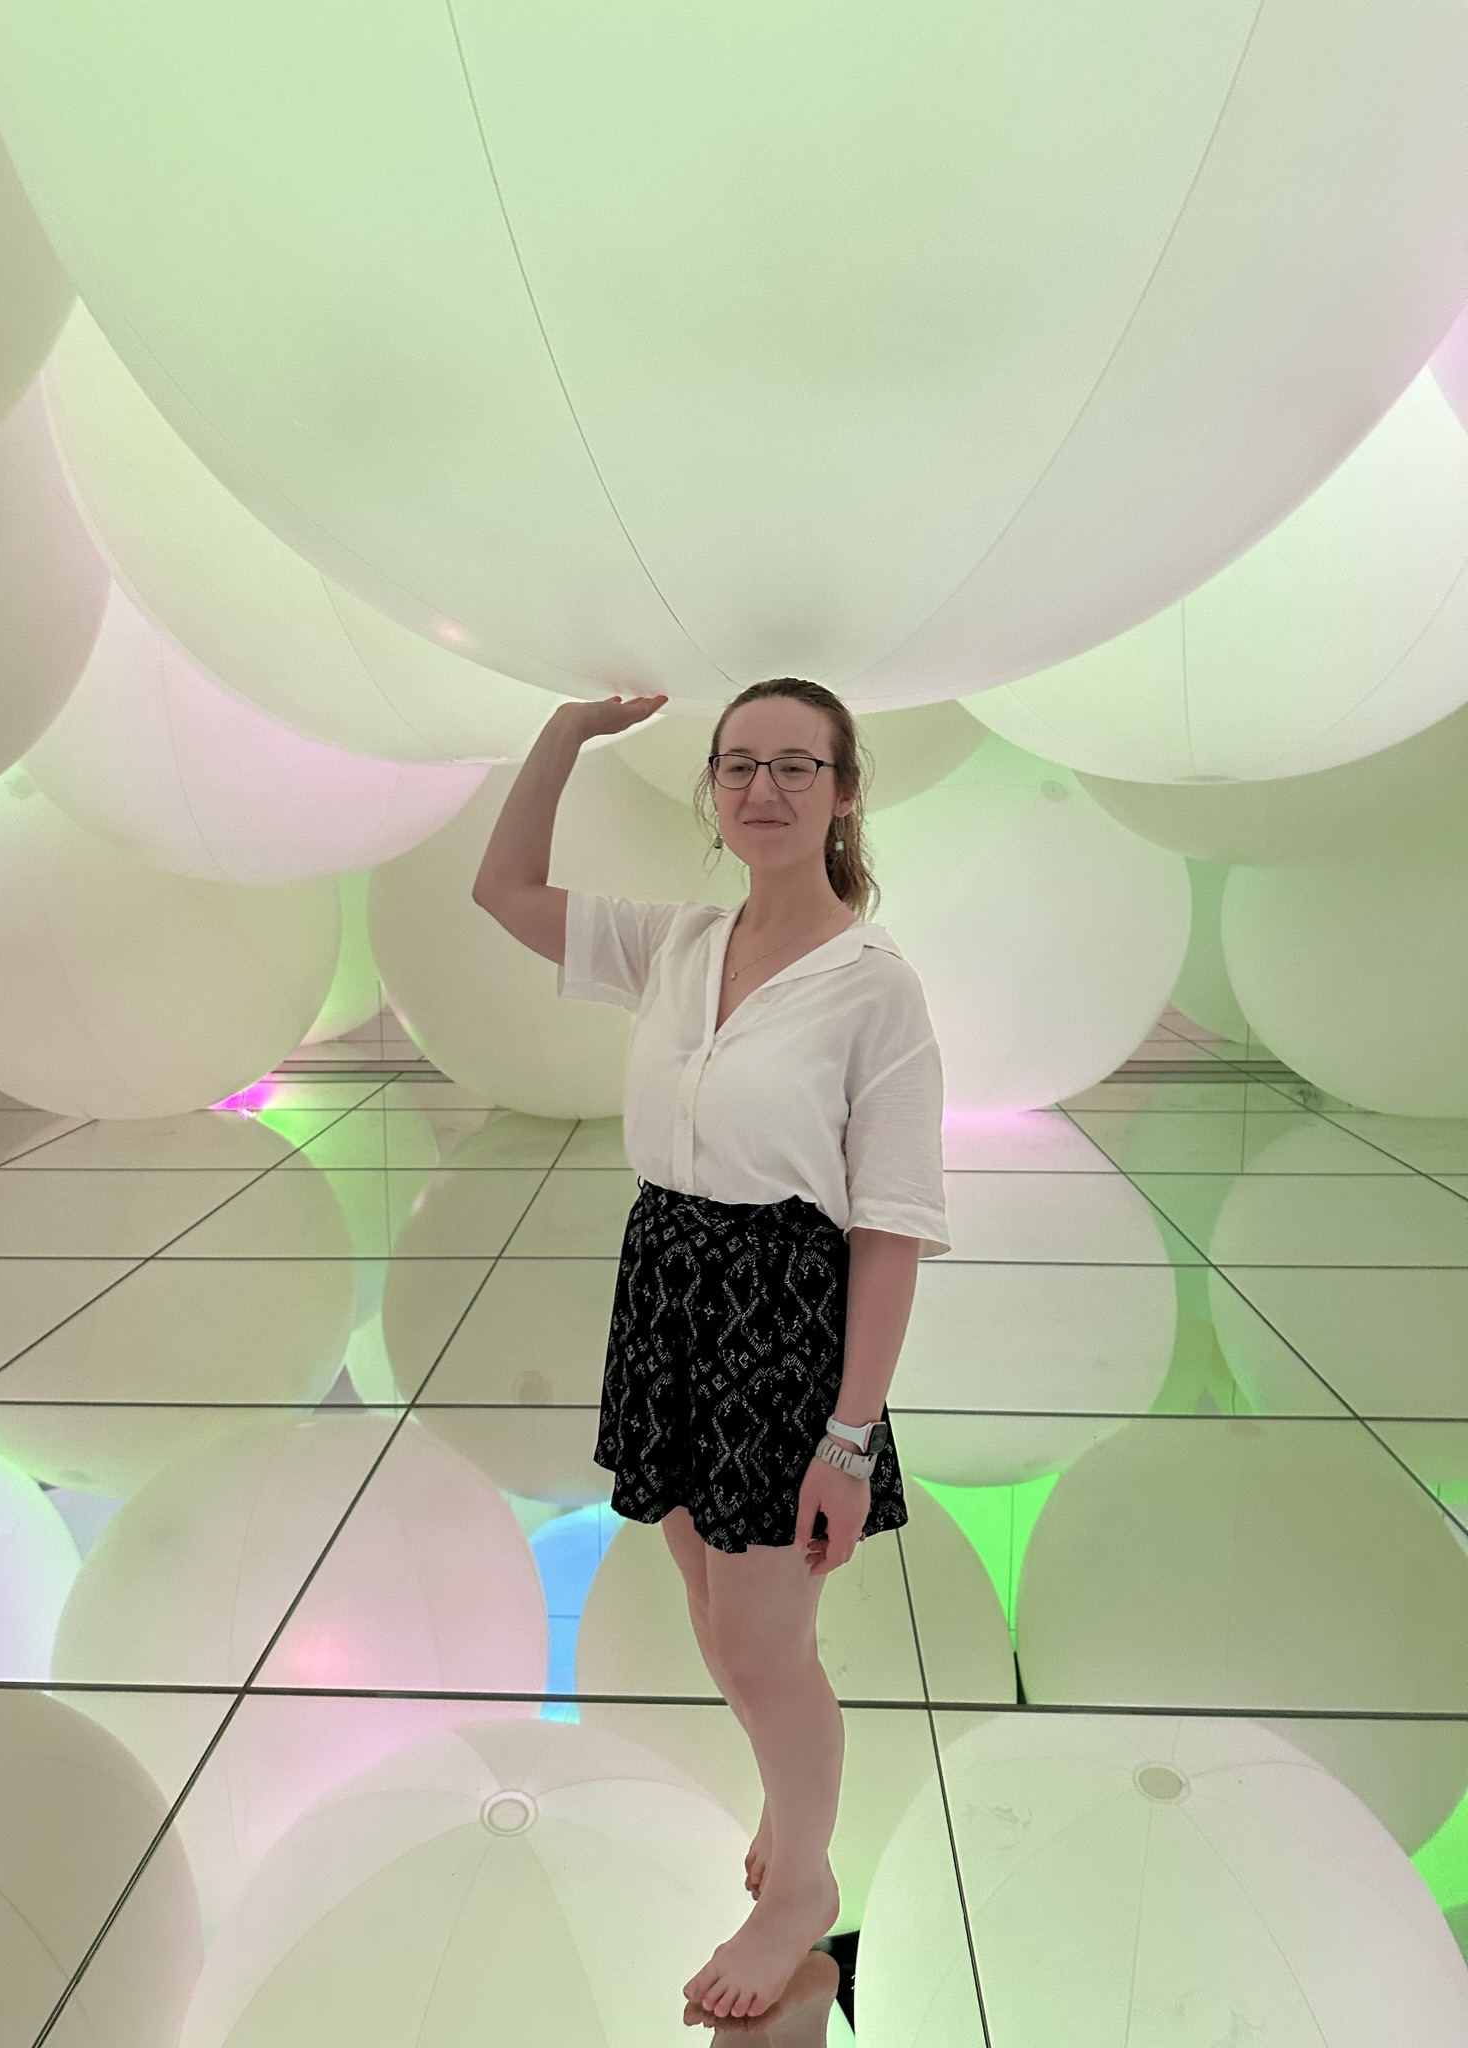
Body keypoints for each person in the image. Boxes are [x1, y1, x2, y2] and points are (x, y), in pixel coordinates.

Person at [471, 677, 949, 2025]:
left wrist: (848, 1440)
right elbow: (503, 892)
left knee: (760, 1639)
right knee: (718, 1616)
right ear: (713, 791)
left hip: (782, 1312)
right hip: (670, 1286)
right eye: (739, 765)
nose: (764, 788)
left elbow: (893, 1228)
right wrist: (562, 736)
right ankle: (790, 1816)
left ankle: (801, 1892)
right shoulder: (678, 944)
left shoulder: (875, 988)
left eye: (798, 766)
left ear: (845, 793)